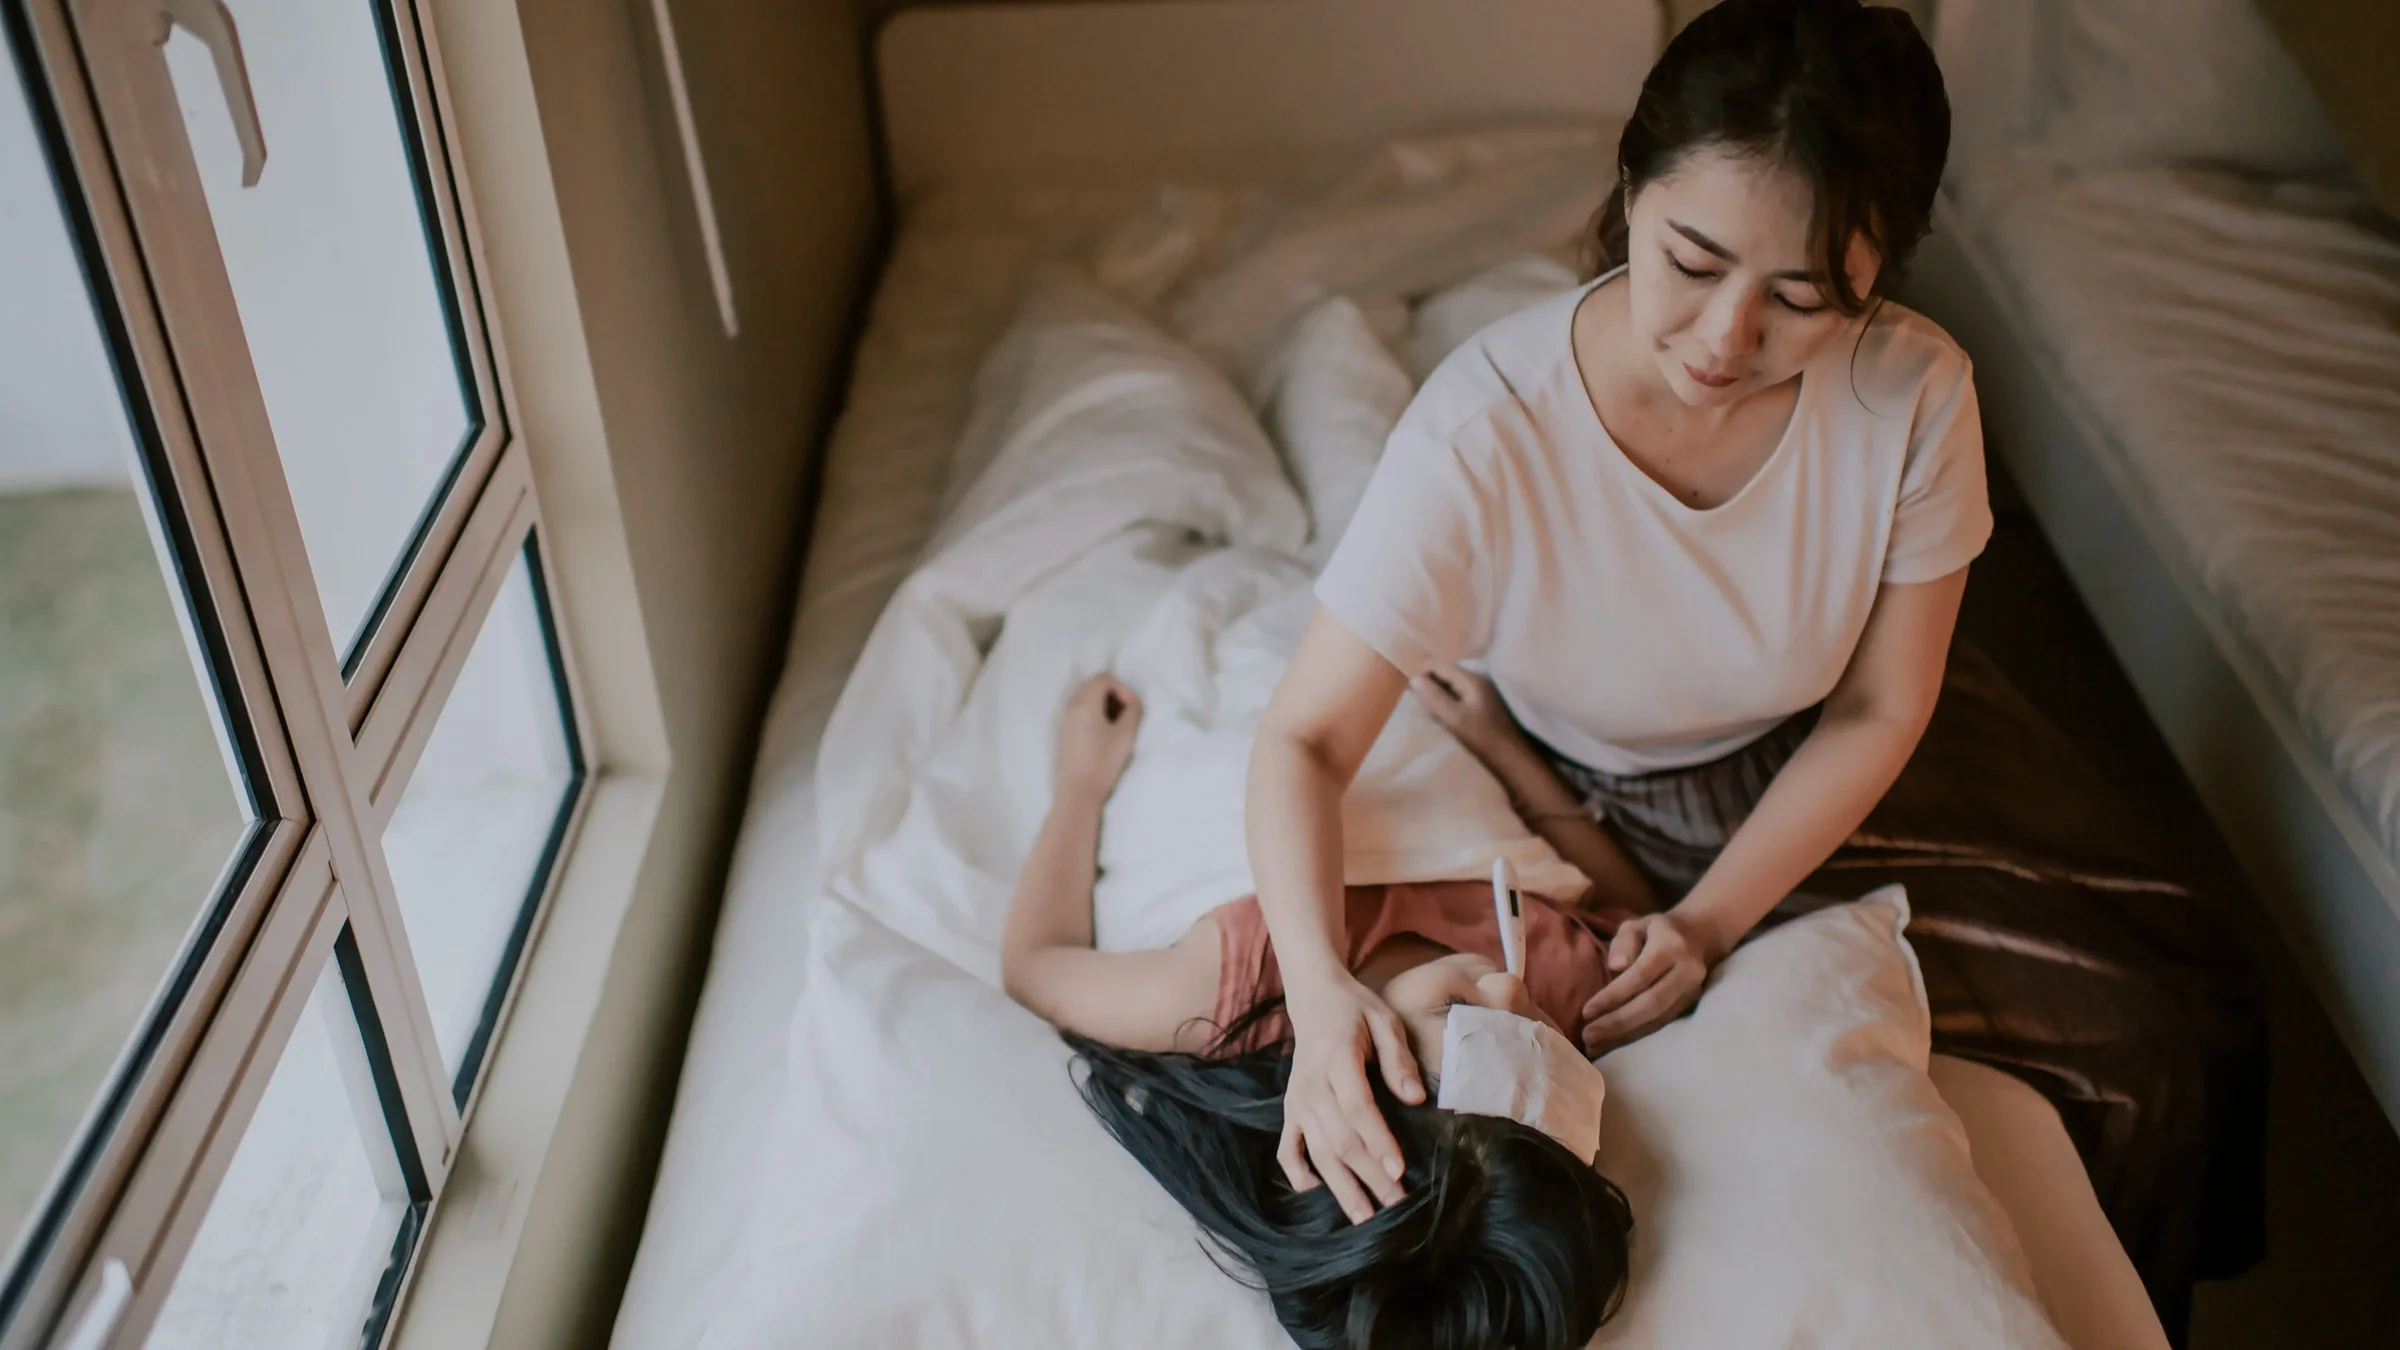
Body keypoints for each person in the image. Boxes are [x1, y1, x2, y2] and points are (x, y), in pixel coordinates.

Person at [1246, 0, 1985, 1225]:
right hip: (1612, 790)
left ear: (1877, 276)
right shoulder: (1483, 432)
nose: (1726, 337)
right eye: (1692, 263)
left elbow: (1883, 703)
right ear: (1630, 188)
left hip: (1836, 757)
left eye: (1804, 298)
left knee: (2153, 1030)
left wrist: (1706, 922)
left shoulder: (1912, 393)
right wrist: (1321, 997)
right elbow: (1305, 741)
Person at [1000, 676, 1634, 1350]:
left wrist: (1080, 785)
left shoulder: (1217, 990)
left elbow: (1034, 962)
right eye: (1539, 1039)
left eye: (1463, 1018)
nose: (1511, 993)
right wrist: (1504, 747)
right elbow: (1629, 908)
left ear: (1352, 1080)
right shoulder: (1575, 989)